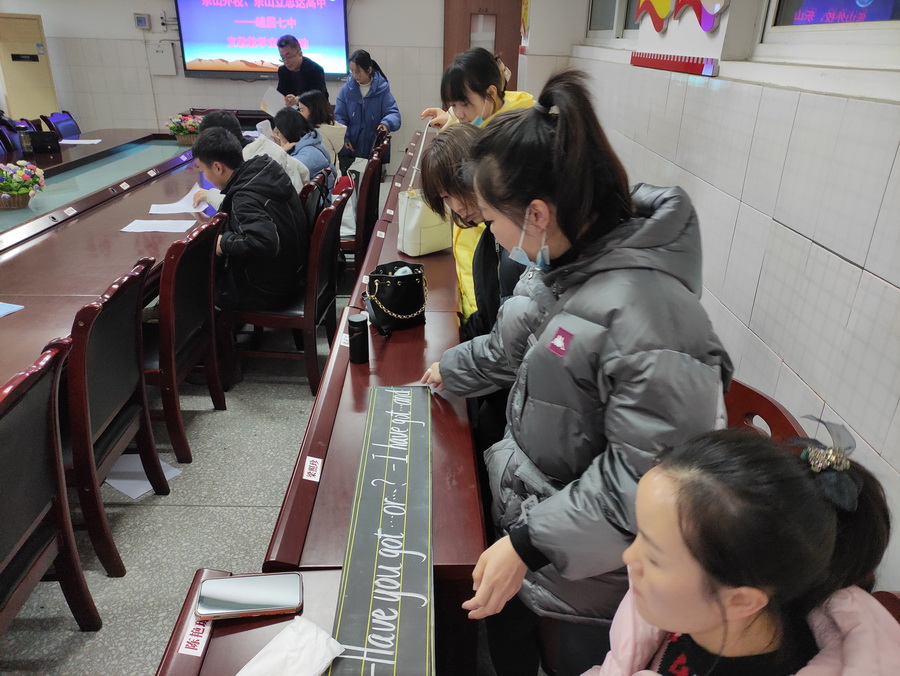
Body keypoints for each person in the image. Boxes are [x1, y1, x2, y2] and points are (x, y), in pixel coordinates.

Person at [420, 70, 733, 676]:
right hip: (537, 529)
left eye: (492, 218)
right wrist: (450, 368)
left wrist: (529, 543)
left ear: (536, 213)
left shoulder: (652, 318)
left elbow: (648, 483)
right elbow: (510, 347)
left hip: (590, 580)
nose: (492, 233)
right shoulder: (570, 264)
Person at [586, 427, 899, 675]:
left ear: (740, 600)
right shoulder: (696, 608)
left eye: (654, 556)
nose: (629, 557)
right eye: (640, 533)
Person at [192, 128, 309, 311]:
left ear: (217, 167)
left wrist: (223, 242)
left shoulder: (244, 197)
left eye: (203, 170)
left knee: (196, 280)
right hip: (293, 274)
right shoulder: (266, 170)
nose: (204, 176)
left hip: (269, 291)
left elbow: (265, 242)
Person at [191, 110, 309, 210]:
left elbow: (242, 206)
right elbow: (304, 171)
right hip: (296, 213)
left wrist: (210, 195)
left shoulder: (250, 164)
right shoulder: (266, 145)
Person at [421, 47, 534, 129]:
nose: (459, 115)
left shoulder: (513, 130)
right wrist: (447, 119)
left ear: (491, 93)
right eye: (453, 105)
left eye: (465, 104)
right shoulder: (488, 112)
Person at [334, 49, 400, 173]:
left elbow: (393, 113)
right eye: (352, 71)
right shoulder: (346, 90)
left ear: (369, 70)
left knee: (370, 183)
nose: (354, 75)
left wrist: (386, 123)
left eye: (358, 71)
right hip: (351, 148)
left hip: (373, 148)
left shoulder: (381, 90)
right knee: (351, 181)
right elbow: (339, 115)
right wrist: (344, 136)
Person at [272, 107, 336, 190]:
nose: (278, 134)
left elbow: (278, 178)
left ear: (286, 131)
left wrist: (281, 152)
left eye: (278, 132)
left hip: (317, 197)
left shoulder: (308, 155)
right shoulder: (311, 143)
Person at [298, 89, 346, 168]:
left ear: (313, 110)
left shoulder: (317, 136)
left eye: (301, 110)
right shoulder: (330, 128)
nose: (299, 114)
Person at [276, 34, 327, 107]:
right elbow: (280, 93)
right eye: (283, 58)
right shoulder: (283, 71)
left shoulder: (315, 69)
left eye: (288, 57)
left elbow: (321, 95)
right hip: (292, 111)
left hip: (313, 111)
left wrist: (299, 99)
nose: (286, 61)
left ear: (300, 54)